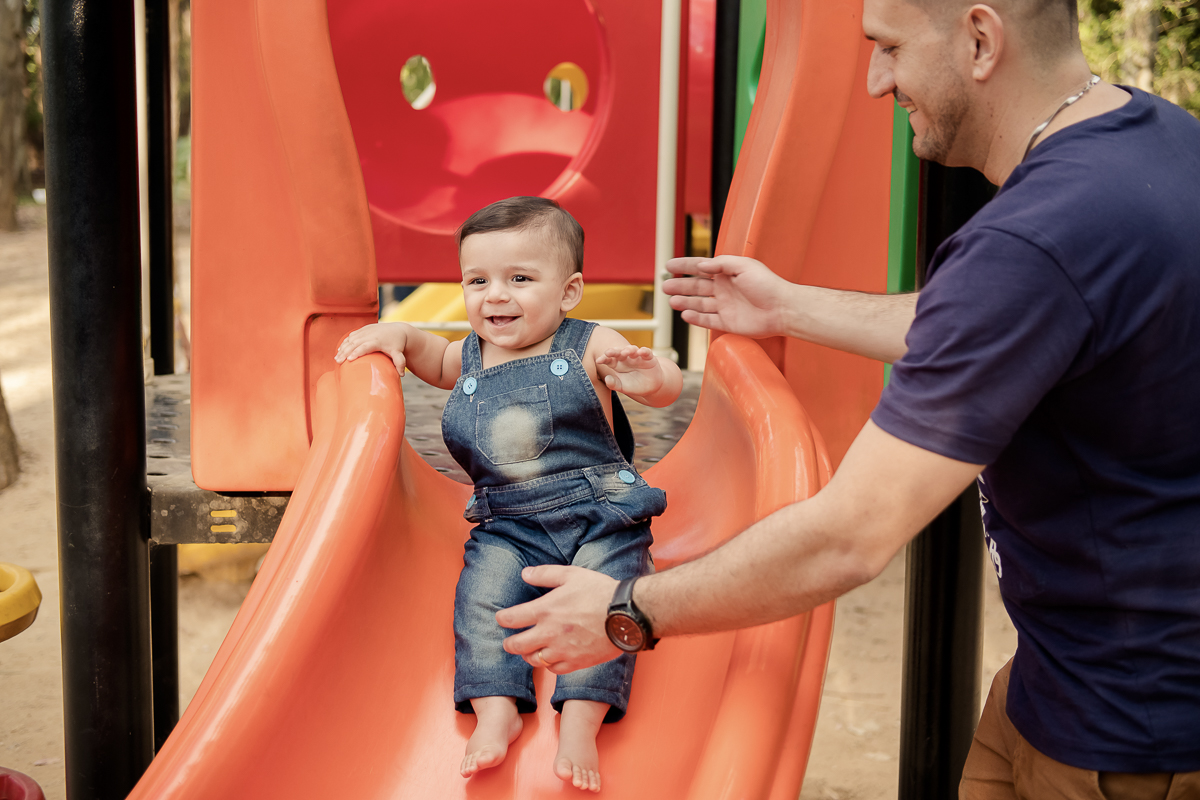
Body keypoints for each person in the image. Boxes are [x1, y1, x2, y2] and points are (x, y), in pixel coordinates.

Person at [490, 0, 1200, 797]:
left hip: (1127, 737)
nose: (875, 80)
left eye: (891, 48)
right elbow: (1006, 320)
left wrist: (626, 611)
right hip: (1062, 677)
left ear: (979, 39)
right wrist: (789, 308)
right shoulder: (1158, 142)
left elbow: (850, 536)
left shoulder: (1035, 239)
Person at [335, 196, 683, 793]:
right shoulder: (466, 354)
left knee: (611, 601)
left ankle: (580, 719)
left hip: (600, 516)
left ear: (568, 292)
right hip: (507, 527)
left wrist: (647, 376)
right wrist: (395, 333)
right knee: (480, 599)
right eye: (478, 280)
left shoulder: (589, 343)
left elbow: (665, 387)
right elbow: (427, 355)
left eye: (519, 279)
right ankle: (496, 709)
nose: (495, 295)